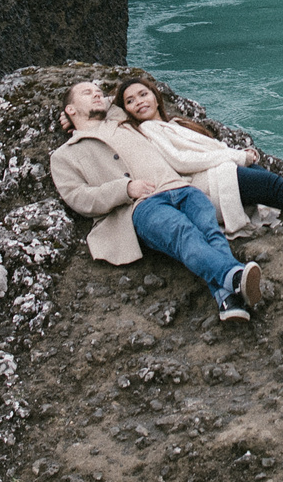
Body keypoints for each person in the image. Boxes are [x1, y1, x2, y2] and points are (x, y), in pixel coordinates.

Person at [48, 78, 262, 322]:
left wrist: (82, 107)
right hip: (142, 205)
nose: (97, 95)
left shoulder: (117, 115)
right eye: (87, 93)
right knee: (184, 234)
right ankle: (234, 276)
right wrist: (125, 189)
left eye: (98, 92)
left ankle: (228, 301)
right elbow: (78, 197)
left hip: (181, 187)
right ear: (71, 109)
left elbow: (119, 96)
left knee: (210, 232)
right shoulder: (65, 155)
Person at [110, 73, 283, 233]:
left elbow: (209, 148)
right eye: (130, 101)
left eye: (143, 94)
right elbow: (182, 161)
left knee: (278, 194)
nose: (139, 102)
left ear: (156, 97)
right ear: (127, 111)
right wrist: (237, 157)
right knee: (276, 187)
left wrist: (237, 154)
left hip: (222, 169)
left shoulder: (174, 124)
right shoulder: (148, 131)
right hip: (210, 181)